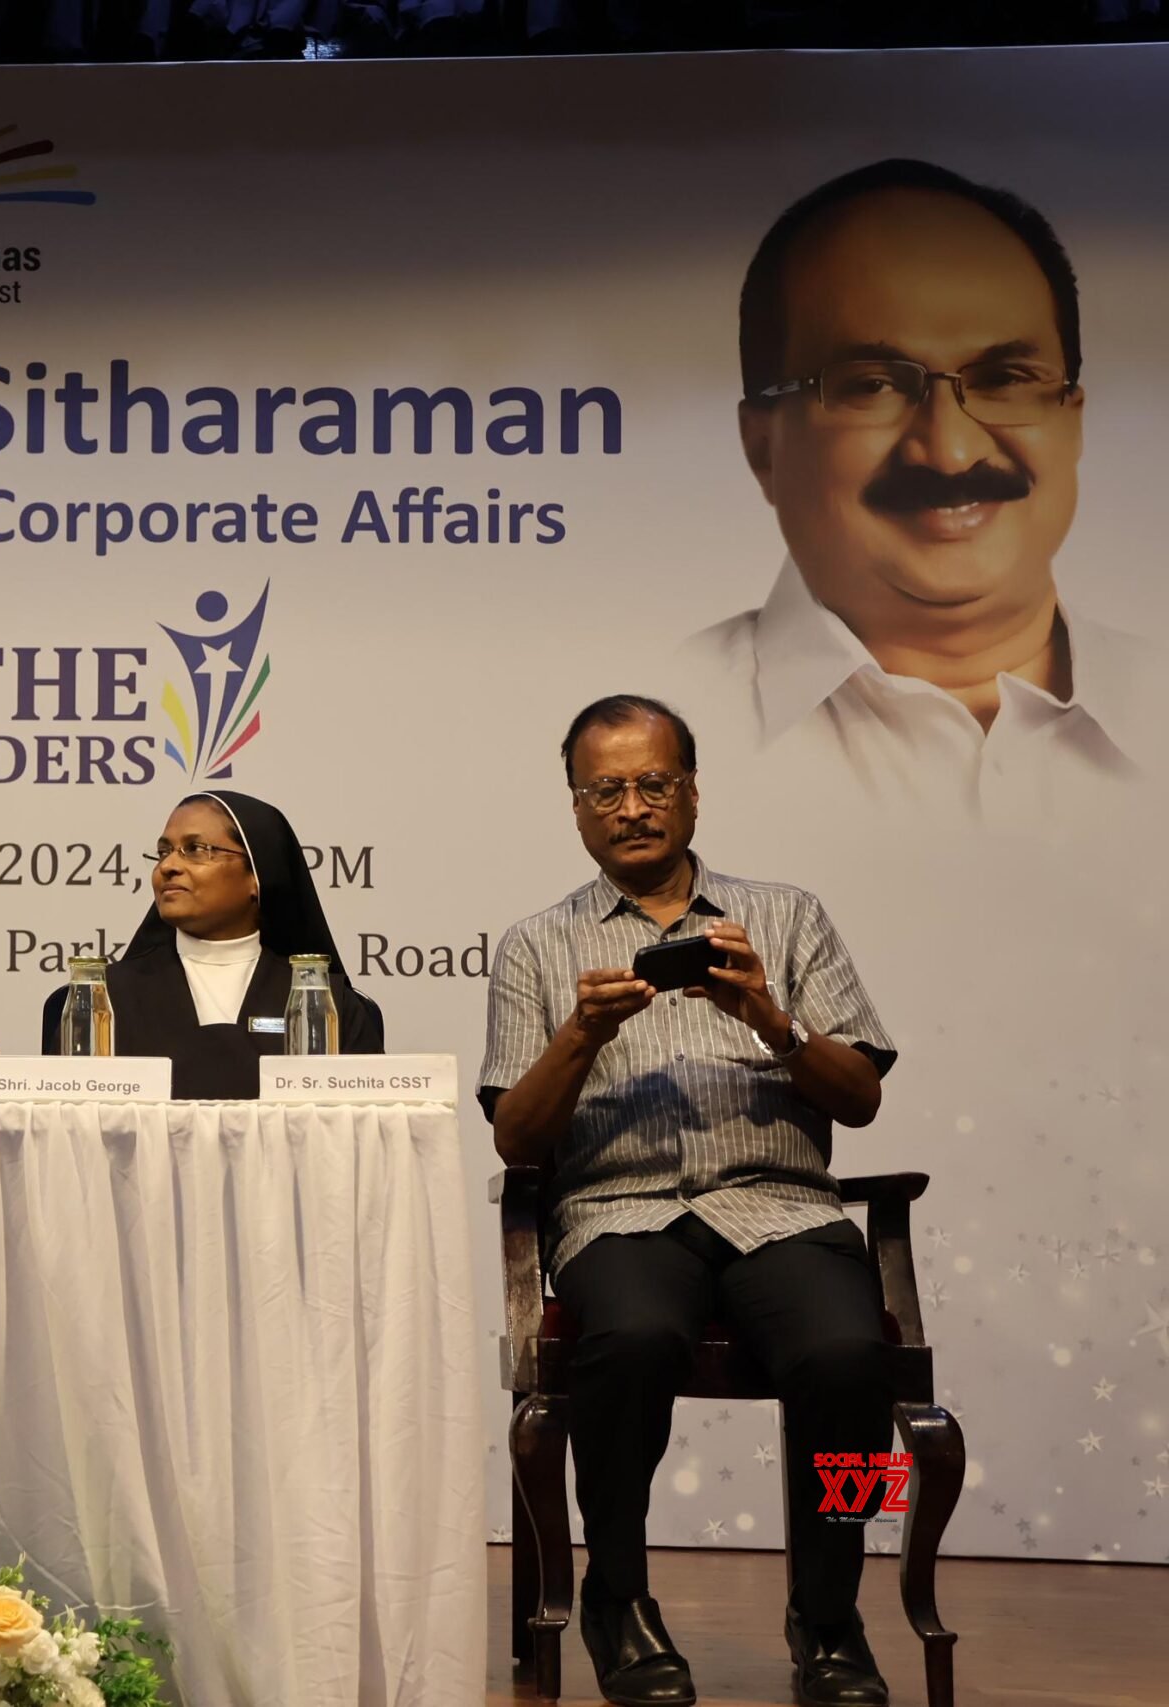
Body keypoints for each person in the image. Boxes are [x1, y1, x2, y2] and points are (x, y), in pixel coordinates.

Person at [480, 695, 899, 1707]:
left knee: (852, 1355)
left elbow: (861, 1098)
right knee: (630, 1339)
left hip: (780, 1208)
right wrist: (581, 1035)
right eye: (605, 790)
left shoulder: (787, 916)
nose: (631, 807)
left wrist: (767, 1016)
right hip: (620, 1214)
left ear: (693, 794)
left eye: (652, 783)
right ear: (576, 809)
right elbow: (516, 1138)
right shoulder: (535, 945)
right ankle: (617, 1599)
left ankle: (831, 1613)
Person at [687, 157, 1153, 822]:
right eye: (872, 384)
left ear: (1072, 422)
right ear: (762, 445)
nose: (950, 451)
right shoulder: (659, 718)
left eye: (1004, 379)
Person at [62, 790, 382, 1097]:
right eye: (163, 852)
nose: (168, 866)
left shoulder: (326, 1003)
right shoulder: (99, 999)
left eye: (195, 849)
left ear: (257, 875)